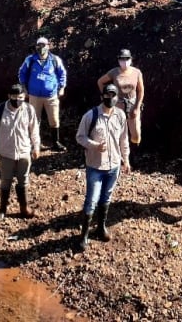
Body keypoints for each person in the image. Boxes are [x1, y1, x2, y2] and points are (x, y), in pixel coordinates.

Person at [75, 83, 130, 250]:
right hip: (95, 166)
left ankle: (101, 227)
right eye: (107, 95)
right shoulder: (90, 116)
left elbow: (124, 139)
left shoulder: (120, 115)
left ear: (117, 98)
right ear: (102, 97)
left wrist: (126, 160)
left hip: (114, 166)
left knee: (106, 198)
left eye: (113, 96)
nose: (110, 98)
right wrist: (94, 145)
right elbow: (80, 137)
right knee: (91, 200)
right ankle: (84, 235)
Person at [0, 84, 41, 222]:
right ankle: (2, 209)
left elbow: (34, 130)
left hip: (24, 152)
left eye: (21, 98)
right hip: (6, 153)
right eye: (14, 97)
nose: (18, 100)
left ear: (25, 97)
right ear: (9, 96)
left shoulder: (29, 110)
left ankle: (24, 208)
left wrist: (36, 147)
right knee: (6, 181)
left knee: (23, 180)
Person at [18, 37, 68, 151]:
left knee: (54, 120)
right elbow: (22, 73)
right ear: (36, 46)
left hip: (51, 96)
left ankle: (55, 142)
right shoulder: (30, 60)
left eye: (43, 45)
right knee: (34, 120)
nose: (41, 48)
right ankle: (35, 143)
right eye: (39, 45)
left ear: (48, 46)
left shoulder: (55, 60)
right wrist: (24, 87)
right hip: (34, 95)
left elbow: (62, 74)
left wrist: (62, 88)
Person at [97, 49, 145, 146]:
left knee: (136, 134)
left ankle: (134, 148)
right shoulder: (114, 72)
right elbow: (100, 82)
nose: (124, 61)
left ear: (131, 59)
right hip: (118, 105)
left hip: (132, 104)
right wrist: (107, 97)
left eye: (126, 59)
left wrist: (137, 107)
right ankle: (123, 156)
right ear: (118, 60)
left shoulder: (137, 72)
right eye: (121, 59)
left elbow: (141, 91)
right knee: (118, 132)